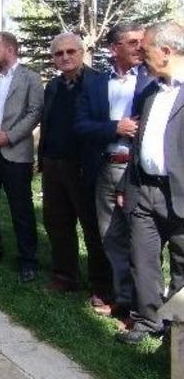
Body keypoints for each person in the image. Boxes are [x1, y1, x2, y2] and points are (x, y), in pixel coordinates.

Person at [74, 23, 152, 319]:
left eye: (142, 42)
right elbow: (80, 126)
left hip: (138, 172)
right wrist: (114, 127)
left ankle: (146, 306)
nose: (139, 48)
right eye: (132, 42)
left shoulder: (151, 80)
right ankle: (123, 300)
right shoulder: (95, 84)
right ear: (114, 48)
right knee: (111, 237)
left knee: (142, 239)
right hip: (106, 169)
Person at [115, 21, 184, 344]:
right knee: (143, 260)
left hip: (179, 193)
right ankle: (147, 321)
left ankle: (178, 330)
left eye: (146, 51)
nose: (141, 58)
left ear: (167, 52)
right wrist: (125, 188)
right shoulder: (150, 92)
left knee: (182, 265)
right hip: (144, 189)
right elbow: (138, 141)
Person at [39, 33, 112, 311]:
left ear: (82, 52)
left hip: (84, 165)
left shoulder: (98, 82)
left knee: (93, 228)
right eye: (59, 54)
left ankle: (102, 287)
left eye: (71, 51)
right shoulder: (54, 86)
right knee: (57, 223)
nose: (65, 57)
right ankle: (65, 275)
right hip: (54, 164)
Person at [0, 32, 44, 282]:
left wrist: (9, 136)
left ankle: (28, 259)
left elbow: (35, 113)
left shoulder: (31, 79)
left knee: (21, 208)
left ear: (10, 50)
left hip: (15, 152)